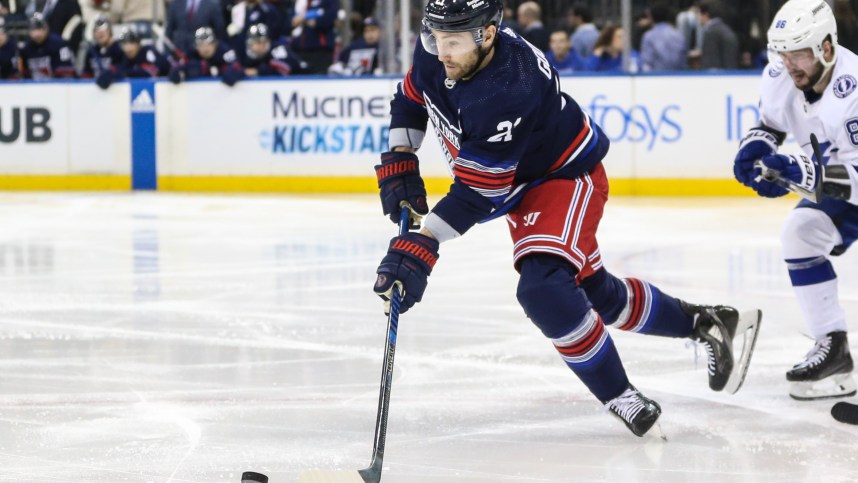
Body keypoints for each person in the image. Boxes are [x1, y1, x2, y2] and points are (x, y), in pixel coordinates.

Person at [374, 0, 762, 437]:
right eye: (435, 38)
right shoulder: (441, 47)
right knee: (596, 296)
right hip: (519, 185)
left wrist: (423, 244)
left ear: (486, 34)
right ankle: (707, 323)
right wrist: (402, 156)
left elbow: (478, 193)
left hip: (563, 175)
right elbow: (411, 97)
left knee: (545, 289)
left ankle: (620, 395)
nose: (440, 52)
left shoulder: (508, 85)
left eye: (453, 42)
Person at [733, 0, 857, 402]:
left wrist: (798, 173)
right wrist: (756, 147)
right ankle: (832, 347)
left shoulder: (853, 91)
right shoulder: (782, 74)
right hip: (840, 183)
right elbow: (770, 123)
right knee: (800, 233)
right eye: (782, 54)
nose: (789, 64)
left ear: (825, 47)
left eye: (798, 53)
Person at [169, 26, 244, 85]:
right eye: (201, 45)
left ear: (215, 44)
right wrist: (180, 72)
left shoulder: (225, 51)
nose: (205, 48)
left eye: (209, 44)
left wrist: (216, 72)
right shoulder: (192, 53)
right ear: (196, 47)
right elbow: (176, 70)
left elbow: (237, 69)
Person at [239, 23, 309, 77]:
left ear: (267, 41)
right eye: (255, 42)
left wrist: (257, 71)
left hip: (305, 78)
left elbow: (284, 69)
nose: (257, 46)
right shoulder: (248, 54)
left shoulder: (278, 49)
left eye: (260, 42)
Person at [19, 13, 76, 79]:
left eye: (40, 29)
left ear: (46, 28)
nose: (36, 34)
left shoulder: (59, 44)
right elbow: (25, 74)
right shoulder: (26, 49)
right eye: (33, 30)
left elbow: (67, 73)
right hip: (35, 87)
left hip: (58, 86)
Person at [289, 0, 338, 73]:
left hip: (320, 50)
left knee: (320, 79)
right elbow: (290, 22)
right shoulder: (299, 2)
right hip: (298, 49)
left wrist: (304, 20)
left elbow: (328, 19)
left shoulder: (328, 1)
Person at [640, 3, 686, 72]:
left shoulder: (649, 36)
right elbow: (682, 60)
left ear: (651, 18)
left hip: (655, 78)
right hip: (677, 77)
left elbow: (647, 63)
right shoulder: (678, 35)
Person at [693, 0, 738, 70]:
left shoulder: (710, 33)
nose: (698, 17)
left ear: (705, 14)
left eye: (698, 13)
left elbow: (710, 65)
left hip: (718, 78)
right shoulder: (727, 29)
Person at [80, 15, 124, 80]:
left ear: (110, 31)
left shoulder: (118, 50)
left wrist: (111, 74)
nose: (100, 33)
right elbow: (86, 74)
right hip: (93, 88)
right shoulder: (91, 52)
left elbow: (124, 70)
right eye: (97, 30)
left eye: (103, 29)